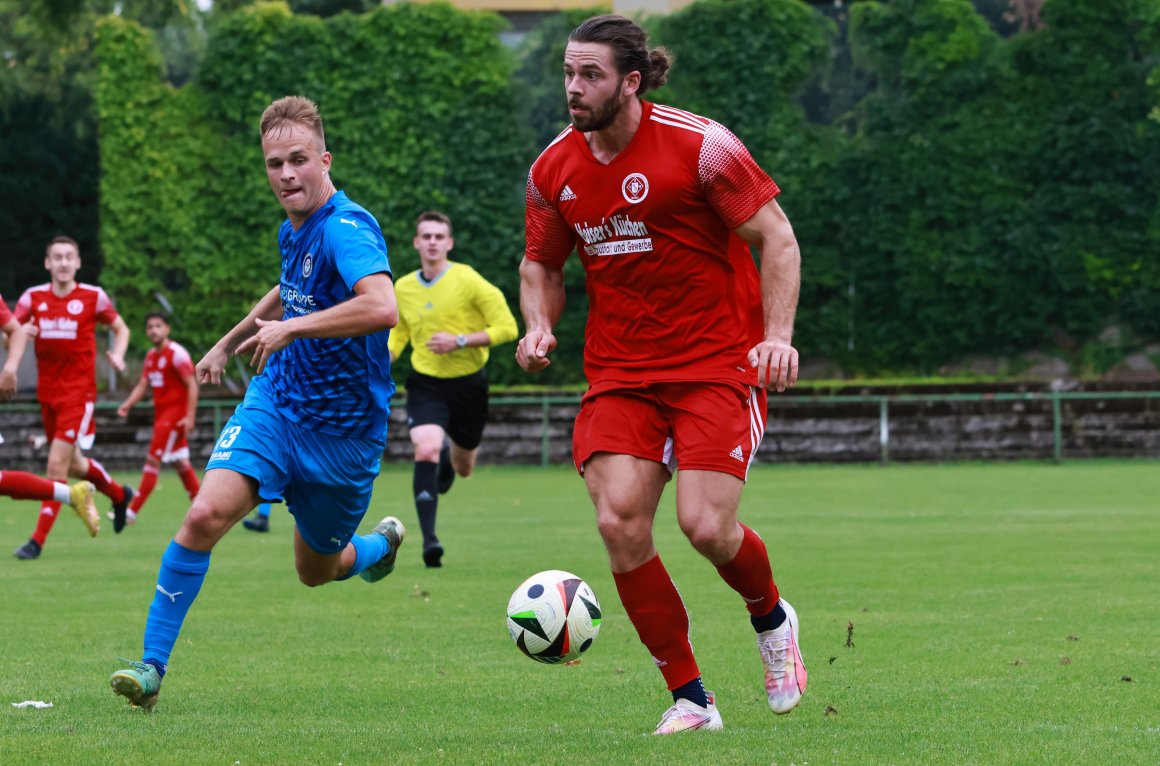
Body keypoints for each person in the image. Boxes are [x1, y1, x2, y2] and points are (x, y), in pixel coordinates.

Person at [516, 15, 807, 735]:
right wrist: (539, 323)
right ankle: (691, 698)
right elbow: (540, 263)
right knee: (619, 523)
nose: (574, 89)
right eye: (568, 73)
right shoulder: (552, 169)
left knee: (706, 527)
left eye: (590, 76)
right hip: (619, 372)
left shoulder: (702, 147)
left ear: (632, 81)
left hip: (714, 362)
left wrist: (777, 338)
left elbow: (776, 236)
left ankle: (771, 620)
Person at [109, 95, 404, 711]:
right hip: (279, 404)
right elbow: (287, 288)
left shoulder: (347, 227)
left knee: (315, 570)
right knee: (201, 517)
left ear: (324, 159)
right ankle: (150, 668)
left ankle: (377, 549)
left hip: (345, 437)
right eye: (275, 164)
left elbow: (382, 306)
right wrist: (226, 342)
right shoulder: (292, 228)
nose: (286, 174)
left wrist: (291, 330)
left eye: (298, 160)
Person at [388, 211, 518, 567]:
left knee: (462, 467)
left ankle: (448, 460)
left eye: (438, 236)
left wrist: (461, 340)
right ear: (416, 242)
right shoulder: (402, 288)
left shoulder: (468, 280)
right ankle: (430, 542)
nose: (432, 242)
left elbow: (507, 327)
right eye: (425, 236)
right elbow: (398, 334)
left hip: (469, 385)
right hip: (426, 383)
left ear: (449, 243)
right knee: (425, 447)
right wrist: (383, 359)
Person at [11, 237, 135, 559]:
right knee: (76, 464)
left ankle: (36, 541)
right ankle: (120, 495)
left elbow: (121, 328)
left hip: (78, 395)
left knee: (56, 465)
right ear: (47, 263)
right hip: (47, 394)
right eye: (57, 257)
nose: (64, 263)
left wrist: (119, 356)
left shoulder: (93, 297)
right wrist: (22, 333)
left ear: (78, 262)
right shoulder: (32, 297)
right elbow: (7, 332)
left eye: (69, 257)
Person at [0, 296, 100, 534]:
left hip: (73, 394)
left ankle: (78, 496)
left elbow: (14, 331)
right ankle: (71, 494)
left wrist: (11, 369)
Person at [116, 313, 201, 529]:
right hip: (162, 418)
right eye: (150, 327)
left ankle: (131, 511)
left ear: (167, 329)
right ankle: (202, 509)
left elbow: (192, 384)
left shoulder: (177, 354)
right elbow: (143, 385)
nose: (154, 330)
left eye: (158, 326)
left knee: (153, 462)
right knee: (181, 463)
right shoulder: (151, 356)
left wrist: (189, 417)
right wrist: (128, 404)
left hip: (173, 420)